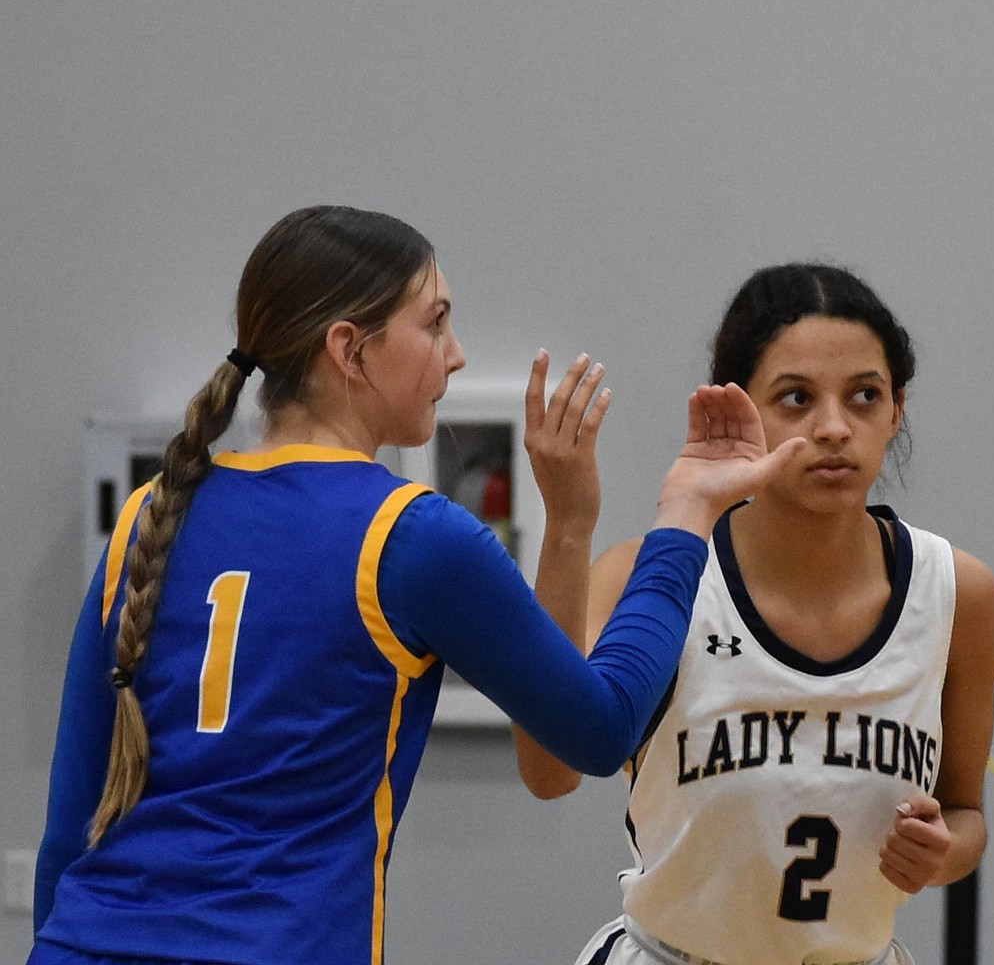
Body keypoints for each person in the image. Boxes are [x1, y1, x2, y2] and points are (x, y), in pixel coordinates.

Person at [28, 206, 811, 965]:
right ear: (350, 349)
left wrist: (571, 523)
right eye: (435, 322)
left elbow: (70, 828)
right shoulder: (409, 535)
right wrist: (685, 518)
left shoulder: (147, 514)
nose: (457, 352)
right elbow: (600, 729)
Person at [516, 263, 994, 965]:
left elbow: (966, 817)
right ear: (742, 407)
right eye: (797, 397)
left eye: (864, 396)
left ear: (896, 409)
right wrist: (567, 524)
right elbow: (549, 771)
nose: (834, 427)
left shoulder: (961, 594)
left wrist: (942, 852)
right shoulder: (651, 573)